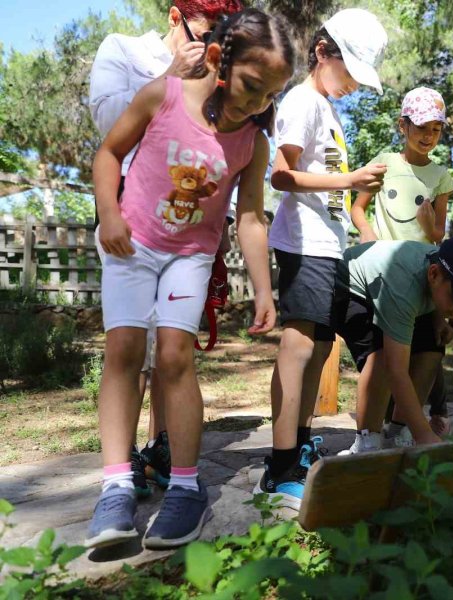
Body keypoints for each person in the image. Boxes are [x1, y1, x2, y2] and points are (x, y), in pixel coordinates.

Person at [85, 8, 293, 550]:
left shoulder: (252, 140)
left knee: (175, 354)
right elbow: (109, 153)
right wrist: (109, 213)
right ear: (221, 59)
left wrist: (265, 289)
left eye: (270, 95)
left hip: (190, 256)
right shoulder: (165, 94)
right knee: (124, 350)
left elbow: (249, 218)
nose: (257, 103)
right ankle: (115, 486)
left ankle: (183, 487)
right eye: (252, 86)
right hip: (131, 242)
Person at [88, 0, 244, 495]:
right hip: (126, 213)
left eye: (217, 34)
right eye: (202, 29)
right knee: (130, 340)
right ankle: (123, 461)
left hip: (188, 226)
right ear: (176, 17)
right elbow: (107, 122)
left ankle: (160, 448)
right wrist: (170, 75)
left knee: (172, 347)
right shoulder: (124, 49)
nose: (207, 42)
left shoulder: (215, 77)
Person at [256, 8, 389, 511]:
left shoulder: (328, 111)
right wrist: (349, 181)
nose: (355, 84)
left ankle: (301, 439)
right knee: (297, 347)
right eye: (351, 71)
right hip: (303, 242)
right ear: (322, 52)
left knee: (318, 348)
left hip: (328, 243)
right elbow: (281, 175)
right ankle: (280, 464)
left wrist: (354, 192)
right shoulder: (302, 101)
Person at [350, 86, 453, 446]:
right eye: (422, 127)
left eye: (436, 129)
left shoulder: (442, 176)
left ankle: (398, 430)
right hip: (384, 274)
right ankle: (367, 434)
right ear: (403, 126)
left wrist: (429, 226)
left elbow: (438, 232)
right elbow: (357, 207)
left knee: (428, 353)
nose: (429, 136)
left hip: (425, 276)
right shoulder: (385, 163)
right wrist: (366, 232)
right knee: (381, 357)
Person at [336, 234, 453, 454]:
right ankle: (367, 441)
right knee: (382, 356)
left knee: (431, 348)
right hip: (350, 289)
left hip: (402, 292)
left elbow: (433, 290)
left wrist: (438, 317)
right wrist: (424, 435)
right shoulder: (403, 285)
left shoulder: (438, 274)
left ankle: (399, 430)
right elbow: (396, 370)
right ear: (434, 273)